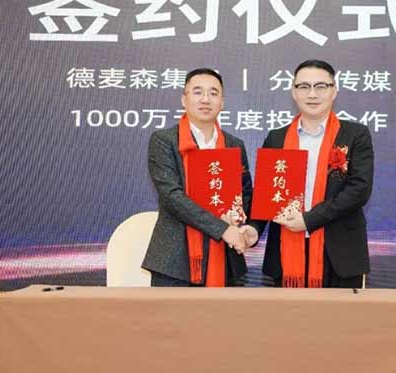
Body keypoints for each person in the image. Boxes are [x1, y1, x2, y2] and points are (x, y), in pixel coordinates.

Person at [258, 59, 374, 288]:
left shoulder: (355, 134)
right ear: (294, 92)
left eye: (321, 86)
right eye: (304, 87)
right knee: (288, 312)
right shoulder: (276, 138)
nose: (312, 94)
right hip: (285, 250)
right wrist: (252, 230)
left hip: (340, 253)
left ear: (334, 91)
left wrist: (308, 220)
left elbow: (359, 189)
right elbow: (268, 194)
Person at [142, 68, 259, 286]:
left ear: (222, 102)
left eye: (213, 93)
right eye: (197, 92)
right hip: (175, 262)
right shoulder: (164, 141)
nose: (206, 99)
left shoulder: (234, 145)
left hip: (227, 260)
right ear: (184, 100)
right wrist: (222, 229)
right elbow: (171, 197)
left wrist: (244, 224)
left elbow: (245, 194)